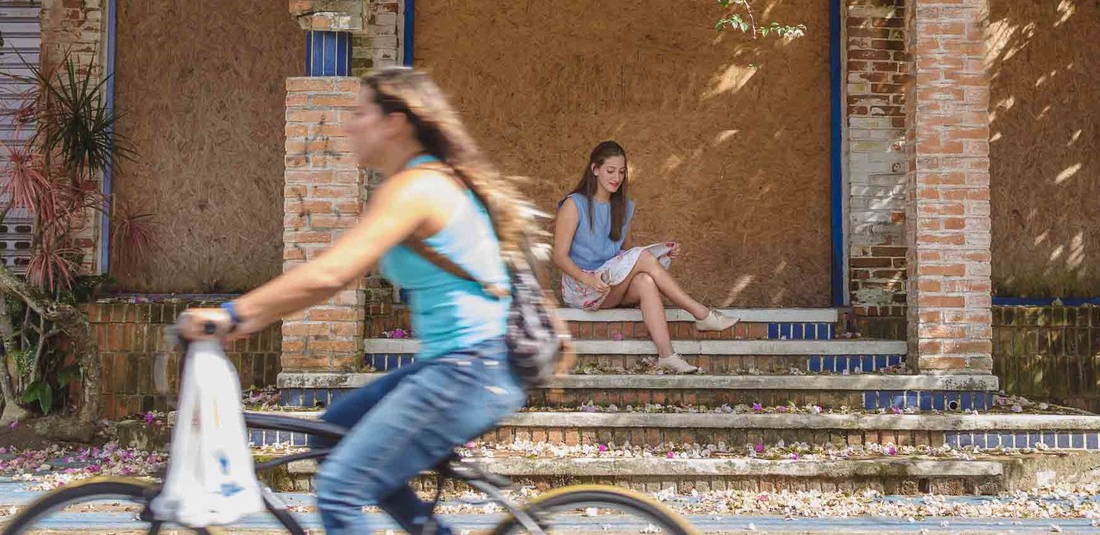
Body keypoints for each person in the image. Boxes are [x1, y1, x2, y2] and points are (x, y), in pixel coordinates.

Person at [177, 67, 528, 535]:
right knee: (334, 434)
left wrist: (233, 314)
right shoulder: (418, 182)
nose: (347, 124)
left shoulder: (416, 188)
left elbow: (330, 274)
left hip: (468, 371)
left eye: (360, 112)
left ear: (395, 122)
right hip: (455, 367)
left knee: (340, 490)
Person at [552, 140, 738, 375]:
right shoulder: (574, 204)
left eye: (621, 172)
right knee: (641, 259)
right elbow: (559, 256)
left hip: (608, 286)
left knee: (645, 281)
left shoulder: (624, 207)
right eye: (610, 171)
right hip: (582, 288)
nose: (616, 177)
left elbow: (626, 253)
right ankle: (701, 313)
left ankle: (667, 355)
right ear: (595, 169)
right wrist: (587, 279)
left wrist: (662, 253)